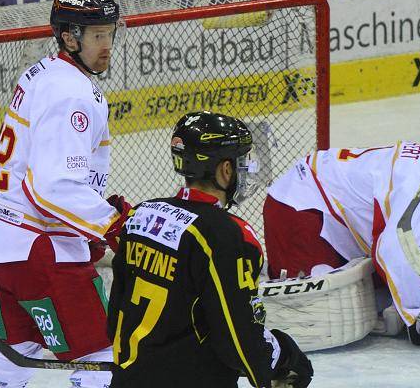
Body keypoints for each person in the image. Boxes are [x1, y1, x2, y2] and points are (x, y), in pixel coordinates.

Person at [0, 0, 129, 388]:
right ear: (69, 38)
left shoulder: (45, 73)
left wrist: (86, 223)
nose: (107, 45)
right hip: (37, 247)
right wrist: (111, 224)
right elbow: (53, 186)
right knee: (103, 357)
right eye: (97, 36)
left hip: (1, 247)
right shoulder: (71, 93)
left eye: (110, 33)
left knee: (18, 351)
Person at [108, 111, 312, 387]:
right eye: (240, 162)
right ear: (225, 170)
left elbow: (116, 315)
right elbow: (236, 337)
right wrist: (285, 358)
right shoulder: (227, 235)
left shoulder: (140, 215)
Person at [262, 142, 420, 349]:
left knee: (375, 301)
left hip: (340, 217)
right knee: (307, 314)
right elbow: (395, 253)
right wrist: (419, 315)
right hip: (301, 203)